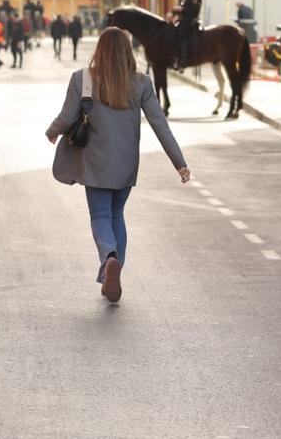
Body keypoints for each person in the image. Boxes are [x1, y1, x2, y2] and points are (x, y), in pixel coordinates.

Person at [46, 27, 190, 303]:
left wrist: (52, 131)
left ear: (99, 50)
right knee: (116, 215)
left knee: (100, 216)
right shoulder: (141, 83)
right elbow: (160, 125)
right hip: (125, 164)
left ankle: (109, 257)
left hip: (95, 163)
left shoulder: (82, 80)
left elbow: (67, 116)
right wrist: (179, 163)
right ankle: (114, 273)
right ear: (127, 51)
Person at [171, 0, 201, 71]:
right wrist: (173, 14)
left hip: (190, 22)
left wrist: (182, 10)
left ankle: (184, 60)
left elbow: (194, 11)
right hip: (182, 21)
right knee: (171, 31)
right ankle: (175, 57)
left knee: (182, 32)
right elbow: (178, 10)